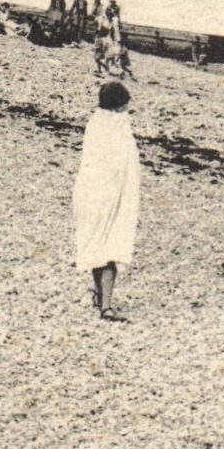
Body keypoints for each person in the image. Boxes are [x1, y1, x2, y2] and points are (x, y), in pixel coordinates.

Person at [74, 81, 141, 322]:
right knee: (111, 247)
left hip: (89, 195)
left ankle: (100, 296)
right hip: (111, 196)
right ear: (119, 105)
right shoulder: (118, 128)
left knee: (96, 245)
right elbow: (120, 167)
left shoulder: (94, 124)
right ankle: (107, 306)